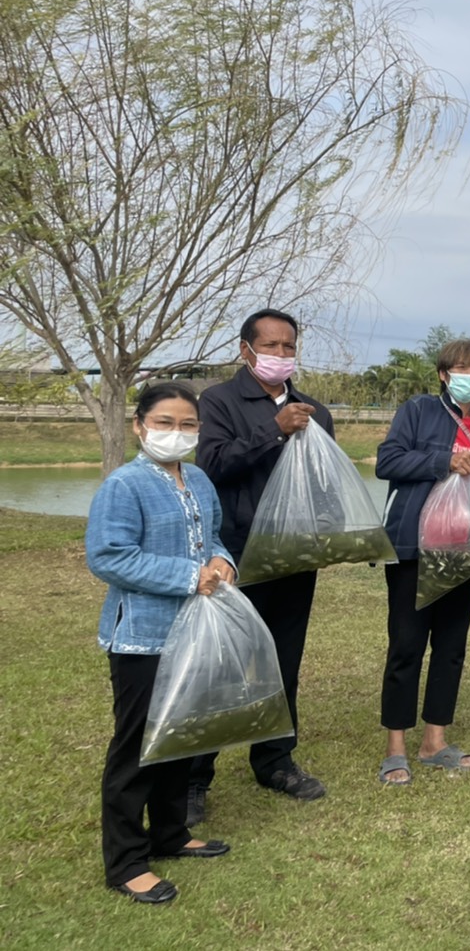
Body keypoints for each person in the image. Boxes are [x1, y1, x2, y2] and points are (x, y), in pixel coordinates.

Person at [87, 383, 235, 904]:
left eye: (187, 424)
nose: (177, 433)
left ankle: (170, 833)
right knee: (138, 746)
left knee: (182, 735)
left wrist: (222, 564)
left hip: (194, 630)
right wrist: (187, 575)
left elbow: (215, 536)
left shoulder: (197, 478)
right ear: (139, 425)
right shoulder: (124, 485)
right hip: (143, 637)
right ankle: (126, 860)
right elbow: (109, 556)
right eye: (165, 422)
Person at [188, 309, 331, 824]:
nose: (280, 355)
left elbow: (324, 481)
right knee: (223, 662)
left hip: (295, 557)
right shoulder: (219, 402)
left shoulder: (312, 409)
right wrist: (273, 431)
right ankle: (195, 776)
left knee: (280, 658)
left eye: (288, 346)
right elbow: (211, 466)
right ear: (246, 349)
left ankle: (275, 760)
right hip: (238, 555)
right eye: (270, 345)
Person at [374, 340, 470, 784]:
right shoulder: (418, 411)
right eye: (460, 368)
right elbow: (388, 461)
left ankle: (435, 740)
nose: (469, 375)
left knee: (451, 647)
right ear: (443, 374)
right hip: (415, 546)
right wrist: (444, 461)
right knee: (406, 645)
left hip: (463, 550)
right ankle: (396, 746)